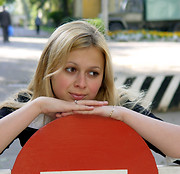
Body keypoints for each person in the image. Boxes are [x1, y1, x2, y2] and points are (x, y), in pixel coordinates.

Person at [0, 20, 179, 162]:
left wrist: (123, 116)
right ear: (49, 68)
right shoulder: (28, 104)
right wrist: (38, 106)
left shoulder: (118, 105)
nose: (81, 83)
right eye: (71, 69)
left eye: (93, 73)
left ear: (103, 77)